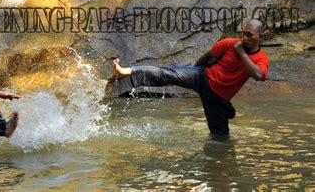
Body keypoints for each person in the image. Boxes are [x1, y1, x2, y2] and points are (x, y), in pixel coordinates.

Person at [112, 19, 269, 136]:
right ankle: (125, 71)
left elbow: (258, 76)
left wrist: (241, 53)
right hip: (202, 77)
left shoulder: (261, 58)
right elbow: (206, 57)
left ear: (260, 37)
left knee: (220, 135)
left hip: (218, 98)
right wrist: (192, 75)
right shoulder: (229, 43)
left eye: (249, 35)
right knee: (168, 73)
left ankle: (219, 169)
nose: (244, 38)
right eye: (243, 33)